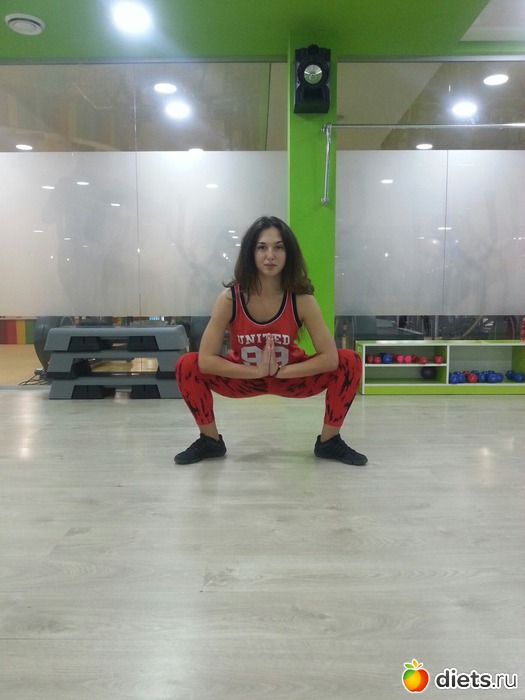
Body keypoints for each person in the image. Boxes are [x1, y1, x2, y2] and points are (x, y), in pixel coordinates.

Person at [174, 215, 367, 466]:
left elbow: (330, 358)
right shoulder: (230, 299)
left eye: (278, 247)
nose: (270, 256)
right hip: (244, 378)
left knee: (349, 360)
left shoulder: (301, 300)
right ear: (251, 253)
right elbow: (206, 361)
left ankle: (329, 441)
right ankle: (210, 441)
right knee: (187, 365)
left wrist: (280, 371)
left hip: (290, 377)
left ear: (288, 254)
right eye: (262, 247)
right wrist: (256, 371)